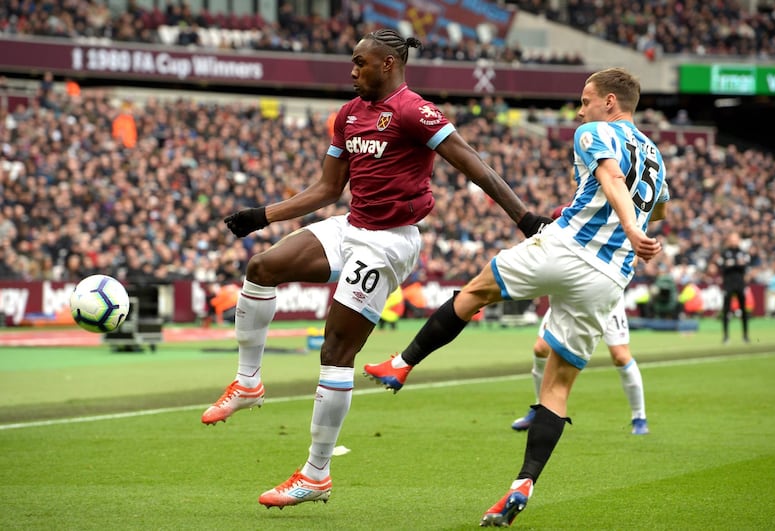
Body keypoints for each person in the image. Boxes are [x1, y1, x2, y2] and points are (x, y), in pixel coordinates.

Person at [201, 28, 550, 510]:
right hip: (352, 226)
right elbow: (326, 189)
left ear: (388, 64)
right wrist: (263, 216)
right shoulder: (348, 115)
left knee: (335, 349)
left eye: (360, 63)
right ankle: (248, 382)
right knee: (263, 266)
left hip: (388, 243)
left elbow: (474, 165)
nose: (352, 70)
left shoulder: (414, 110)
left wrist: (525, 219)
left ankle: (315, 474)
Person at [364, 67, 669, 527]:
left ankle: (402, 364)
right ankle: (523, 483)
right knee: (559, 385)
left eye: (586, 99)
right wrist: (633, 228)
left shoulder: (595, 131)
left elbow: (611, 179)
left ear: (610, 102)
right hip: (610, 277)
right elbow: (659, 206)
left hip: (568, 247)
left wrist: (624, 222)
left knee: (476, 291)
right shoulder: (656, 155)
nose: (580, 107)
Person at [512, 296, 649, 435]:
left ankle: (639, 417)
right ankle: (540, 408)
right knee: (541, 348)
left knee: (620, 356)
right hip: (570, 294)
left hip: (605, 295)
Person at [719, 231, 750, 343]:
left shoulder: (742, 252)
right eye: (732, 239)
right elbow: (722, 266)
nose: (734, 241)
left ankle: (745, 335)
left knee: (743, 310)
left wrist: (732, 264)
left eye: (736, 239)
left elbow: (745, 265)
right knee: (726, 311)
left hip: (740, 284)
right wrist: (737, 264)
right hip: (728, 284)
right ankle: (726, 336)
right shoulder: (725, 252)